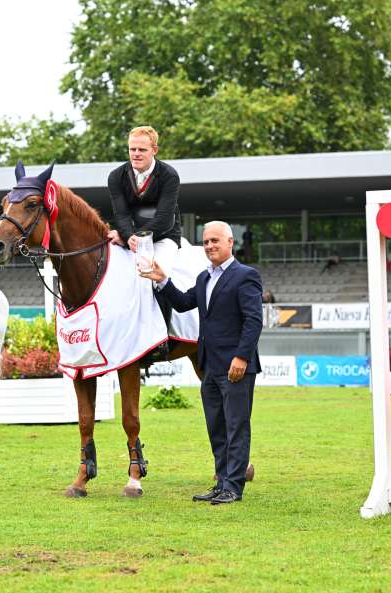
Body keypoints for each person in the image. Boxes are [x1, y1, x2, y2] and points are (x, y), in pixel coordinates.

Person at [140, 221, 263, 505]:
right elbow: (183, 303)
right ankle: (221, 482)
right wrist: (162, 280)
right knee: (216, 428)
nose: (209, 246)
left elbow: (253, 321)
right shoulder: (204, 278)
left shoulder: (246, 276)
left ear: (230, 242)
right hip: (210, 366)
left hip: (236, 367)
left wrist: (242, 357)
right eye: (206, 242)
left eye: (215, 241)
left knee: (236, 426)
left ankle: (234, 486)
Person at [107, 126, 182, 282]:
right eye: (132, 149)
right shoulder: (115, 176)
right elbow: (121, 214)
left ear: (154, 150)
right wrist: (128, 237)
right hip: (131, 236)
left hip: (164, 236)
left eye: (142, 150)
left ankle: (164, 306)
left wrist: (133, 237)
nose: (136, 154)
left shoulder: (170, 176)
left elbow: (164, 218)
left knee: (154, 278)